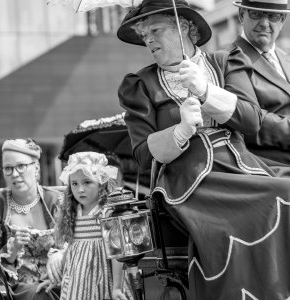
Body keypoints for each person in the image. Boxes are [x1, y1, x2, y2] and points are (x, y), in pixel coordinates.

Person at [117, 0, 290, 298]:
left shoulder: (225, 62)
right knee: (274, 197)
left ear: (184, 27)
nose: (150, 41)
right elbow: (143, 155)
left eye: (156, 30)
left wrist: (207, 92)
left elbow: (250, 121)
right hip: (188, 178)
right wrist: (180, 130)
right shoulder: (139, 84)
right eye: (145, 36)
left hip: (241, 165)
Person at [39, 151, 131, 300]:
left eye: (87, 182)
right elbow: (72, 249)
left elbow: (117, 252)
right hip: (77, 283)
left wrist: (117, 287)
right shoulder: (73, 212)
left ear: (101, 183)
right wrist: (55, 278)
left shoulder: (106, 212)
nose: (80, 189)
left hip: (101, 279)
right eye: (74, 183)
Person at [0, 138, 62, 300]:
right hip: (16, 289)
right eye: (8, 168)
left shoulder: (56, 201)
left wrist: (60, 254)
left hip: (58, 280)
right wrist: (12, 249)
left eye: (21, 166)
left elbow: (75, 244)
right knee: (40, 295)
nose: (15, 174)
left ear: (36, 167)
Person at [229, 0, 290, 167]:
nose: (264, 23)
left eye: (273, 16)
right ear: (242, 15)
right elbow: (248, 122)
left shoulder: (287, 58)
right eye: (256, 14)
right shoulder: (227, 60)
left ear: (282, 19)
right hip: (272, 167)